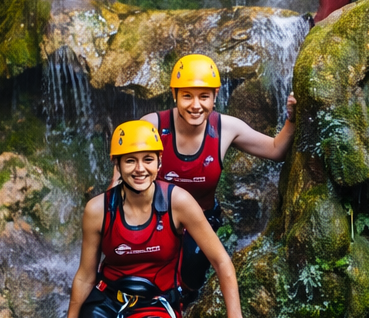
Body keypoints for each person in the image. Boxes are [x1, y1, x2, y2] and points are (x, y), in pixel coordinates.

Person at [57, 119, 263, 318]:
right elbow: (85, 275)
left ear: (160, 162)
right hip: (105, 306)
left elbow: (221, 261)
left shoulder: (177, 202)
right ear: (117, 164)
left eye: (148, 159)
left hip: (155, 307)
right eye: (130, 160)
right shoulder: (98, 210)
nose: (140, 169)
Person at [127, 54, 296, 305]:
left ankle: (181, 308)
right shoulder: (150, 125)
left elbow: (275, 150)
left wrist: (292, 119)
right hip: (153, 218)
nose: (196, 105)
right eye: (187, 96)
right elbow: (119, 187)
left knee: (191, 274)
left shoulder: (226, 128)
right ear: (175, 94)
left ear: (215, 96)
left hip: (200, 222)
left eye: (204, 96)